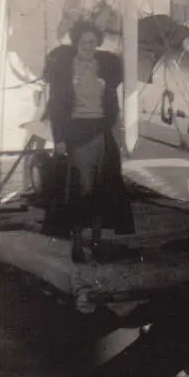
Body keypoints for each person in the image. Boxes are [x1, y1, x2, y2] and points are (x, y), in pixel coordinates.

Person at [44, 21, 135, 263]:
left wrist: (121, 139)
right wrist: (59, 139)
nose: (88, 46)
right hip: (78, 133)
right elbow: (55, 107)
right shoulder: (66, 69)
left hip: (101, 133)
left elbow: (113, 107)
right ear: (76, 43)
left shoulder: (102, 67)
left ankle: (95, 240)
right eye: (84, 42)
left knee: (102, 187)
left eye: (92, 43)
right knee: (81, 189)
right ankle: (76, 242)